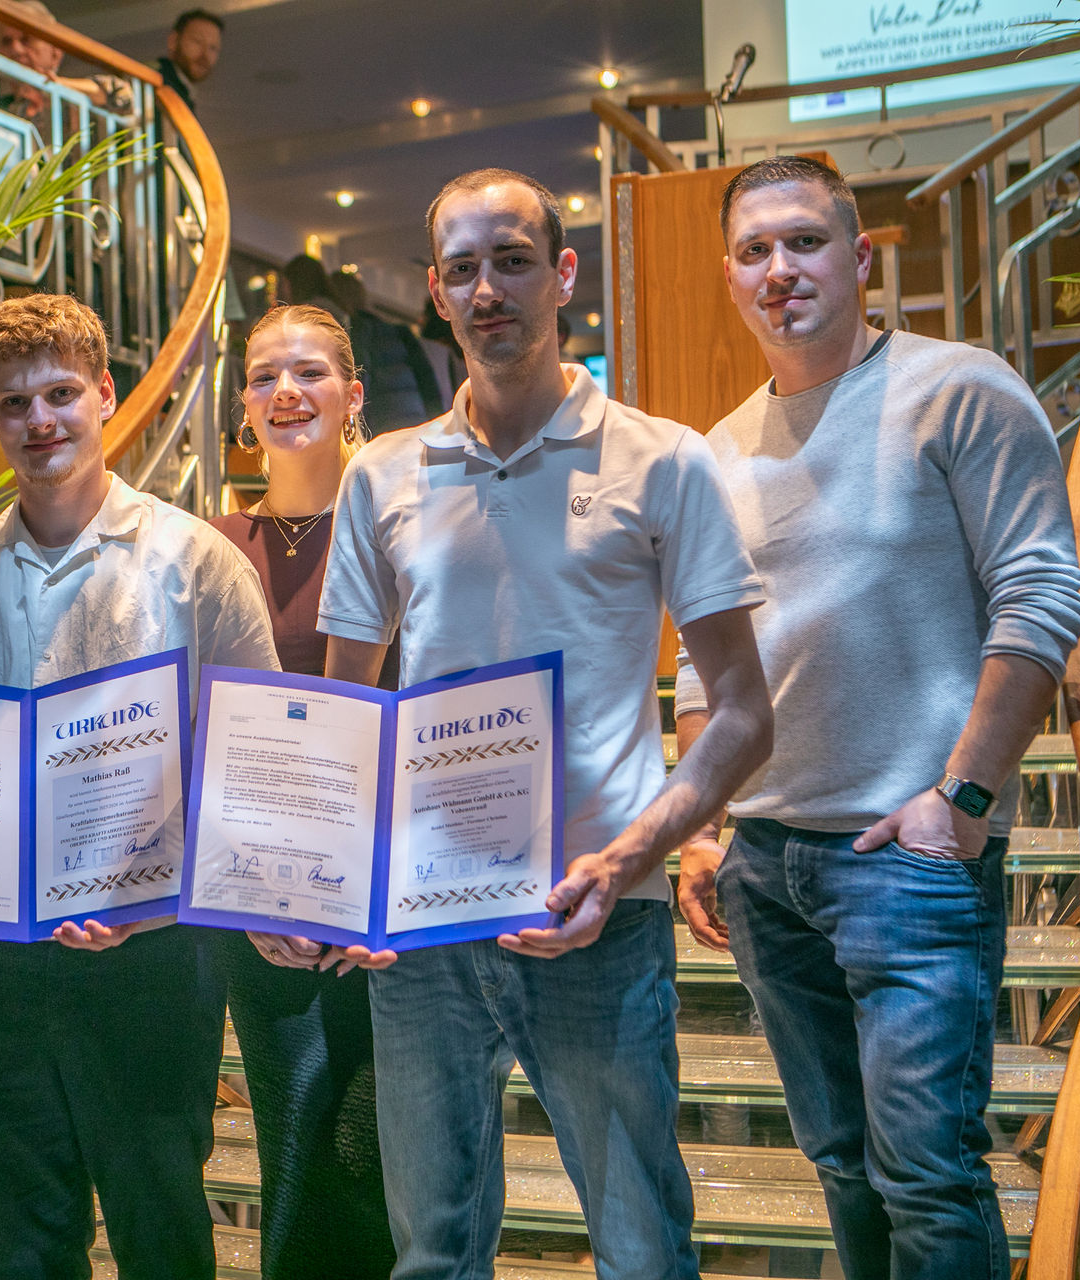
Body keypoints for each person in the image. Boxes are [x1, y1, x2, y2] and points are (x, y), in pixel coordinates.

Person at [317, 167, 773, 1280]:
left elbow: (743, 712)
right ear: (435, 291)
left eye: (513, 261)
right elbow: (342, 718)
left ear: (563, 274)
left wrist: (627, 860)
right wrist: (334, 885)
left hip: (598, 916)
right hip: (424, 927)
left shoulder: (664, 458)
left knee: (641, 1248)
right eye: (463, 268)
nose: (489, 290)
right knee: (432, 1254)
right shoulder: (379, 474)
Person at [674, 154, 1080, 1280]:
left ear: (860, 258)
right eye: (754, 251)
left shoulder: (959, 388)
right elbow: (704, 667)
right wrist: (704, 830)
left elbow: (1042, 593)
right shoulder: (715, 451)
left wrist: (964, 795)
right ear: (731, 277)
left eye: (804, 241)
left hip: (909, 855)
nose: (779, 269)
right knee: (844, 1166)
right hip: (767, 864)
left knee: (927, 1172)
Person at [0, 293, 279, 1280]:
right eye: (15, 402)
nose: (41, 419)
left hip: (153, 958)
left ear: (105, 393)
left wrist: (160, 894)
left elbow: (253, 762)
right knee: (26, 1245)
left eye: (61, 393)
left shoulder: (200, 563)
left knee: (162, 1233)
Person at [212, 303, 396, 1280]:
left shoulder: (401, 526)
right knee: (293, 1153)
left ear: (353, 393)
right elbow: (198, 735)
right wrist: (251, 892)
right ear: (245, 407)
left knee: (377, 1159)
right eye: (263, 376)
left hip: (388, 900)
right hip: (263, 902)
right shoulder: (211, 545)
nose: (286, 392)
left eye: (311, 371)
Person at [325, 271, 442, 436]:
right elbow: (427, 381)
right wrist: (437, 424)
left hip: (381, 427)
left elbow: (361, 381)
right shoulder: (399, 331)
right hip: (415, 420)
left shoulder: (350, 335)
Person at [0, 0, 134, 124]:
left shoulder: (74, 104)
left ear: (55, 52)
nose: (16, 49)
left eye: (26, 39)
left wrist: (55, 85)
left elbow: (122, 94)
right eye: (6, 42)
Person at [156, 9, 223, 114]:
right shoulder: (152, 81)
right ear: (173, 41)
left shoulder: (185, 94)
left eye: (213, 48)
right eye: (197, 41)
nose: (205, 55)